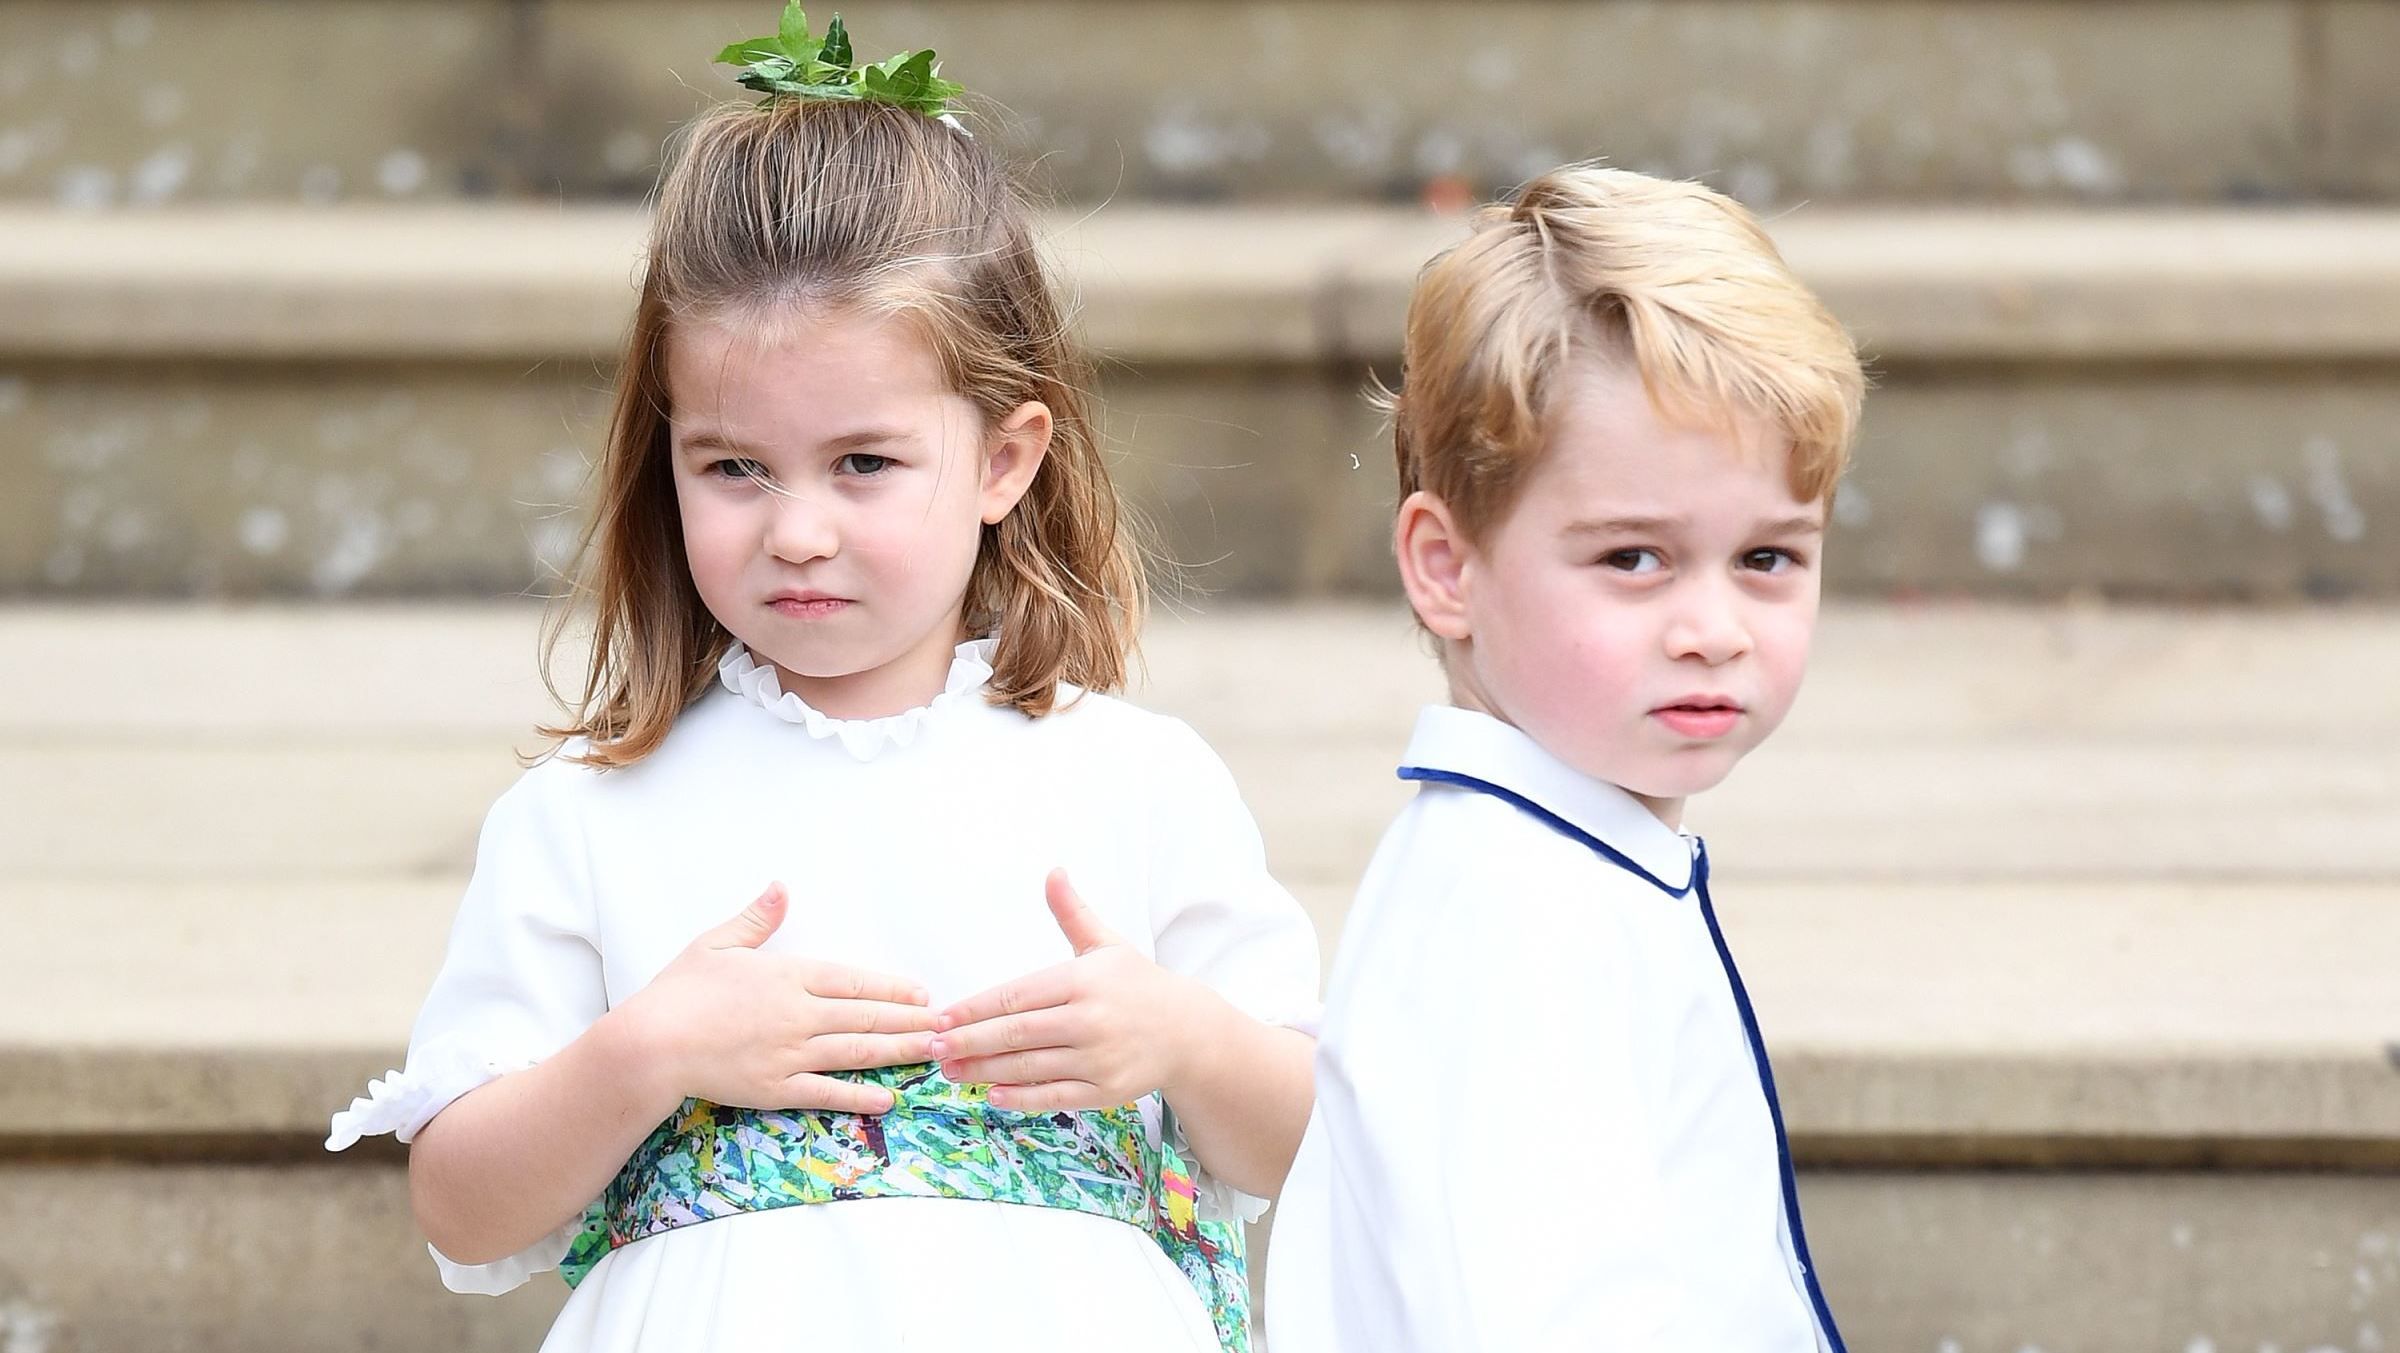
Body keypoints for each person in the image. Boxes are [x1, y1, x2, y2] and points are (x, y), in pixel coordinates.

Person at [325, 10, 1316, 1351]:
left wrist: (1186, 1040)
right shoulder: (594, 813)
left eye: (863, 463)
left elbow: (1319, 1147)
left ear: (1006, 461)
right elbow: (462, 1205)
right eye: (735, 467)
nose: (796, 527)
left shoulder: (1136, 780)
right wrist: (644, 1053)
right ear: (665, 457)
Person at [1265, 162, 1867, 1352]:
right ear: (1447, 567)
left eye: (1769, 558)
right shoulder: (1515, 916)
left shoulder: (1567, 864)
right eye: (1634, 560)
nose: (1714, 628)